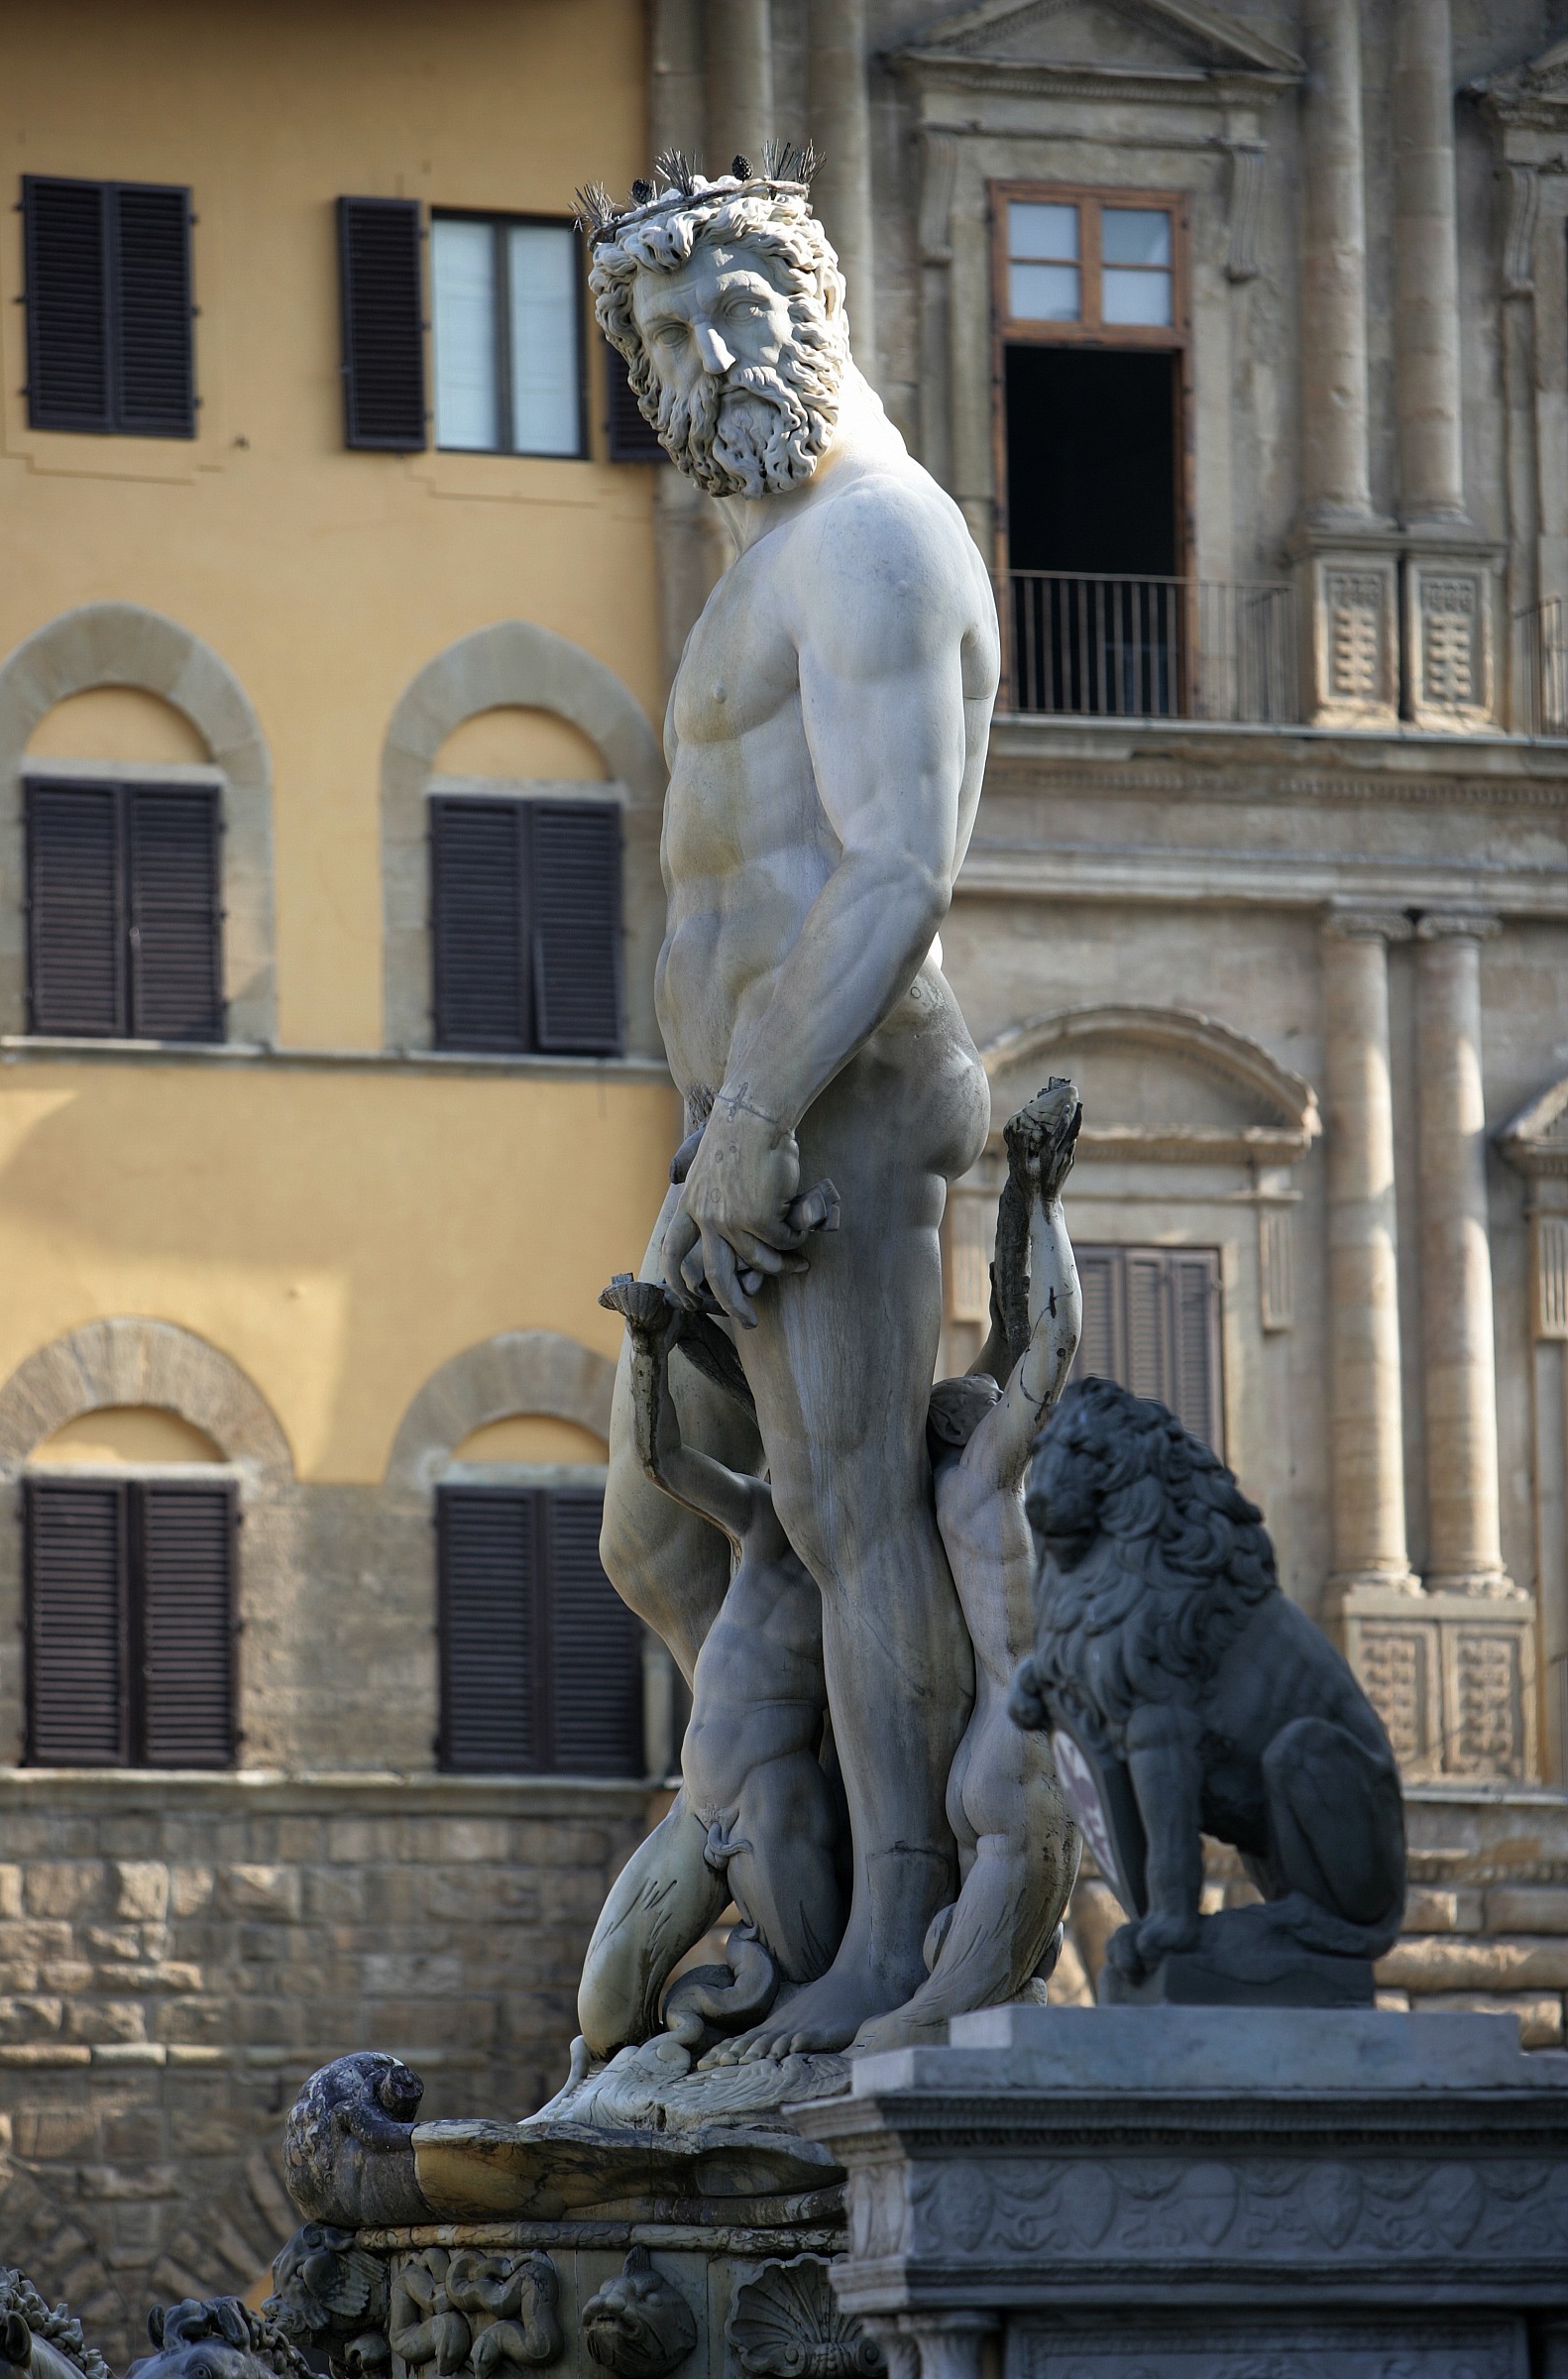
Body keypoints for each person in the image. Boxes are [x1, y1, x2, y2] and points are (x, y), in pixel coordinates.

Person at [581, 149, 1000, 2050]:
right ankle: (784, 1851)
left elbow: (896, 863)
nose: (700, 352)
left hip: (832, 1093)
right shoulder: (771, 560)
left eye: (728, 303)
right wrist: (715, 1118)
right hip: (739, 1114)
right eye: (664, 328)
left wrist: (755, 1111)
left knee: (845, 1516)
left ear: (814, 300)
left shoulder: (882, 541)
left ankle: (892, 1931)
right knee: (659, 1536)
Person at [849, 1080, 1083, 2052]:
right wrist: (1051, 1199)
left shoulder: (941, 1496)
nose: (1011, 1401)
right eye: (995, 1400)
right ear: (972, 1425)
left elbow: (1008, 1324)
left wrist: (1018, 1200)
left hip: (981, 1759)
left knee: (999, 2004)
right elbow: (1052, 1341)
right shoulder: (989, 1479)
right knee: (926, 2032)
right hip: (1023, 1758)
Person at [576, 1272, 843, 2061]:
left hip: (769, 1809)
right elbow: (660, 1460)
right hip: (698, 1804)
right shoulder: (762, 1519)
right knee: (604, 2011)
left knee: (807, 1992)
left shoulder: (869, 1569)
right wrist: (649, 1347)